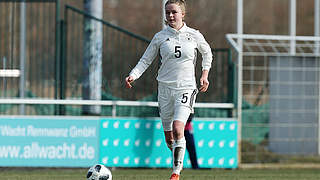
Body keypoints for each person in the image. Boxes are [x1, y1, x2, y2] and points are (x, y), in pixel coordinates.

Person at [125, 0, 213, 179]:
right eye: (167, 13)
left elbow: (207, 53)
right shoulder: (160, 36)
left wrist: (204, 75)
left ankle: (175, 173)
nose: (170, 16)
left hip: (186, 88)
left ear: (183, 14)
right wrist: (133, 75)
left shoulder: (194, 35)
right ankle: (175, 157)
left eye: (174, 12)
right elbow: (146, 60)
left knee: (178, 127)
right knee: (170, 138)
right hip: (165, 89)